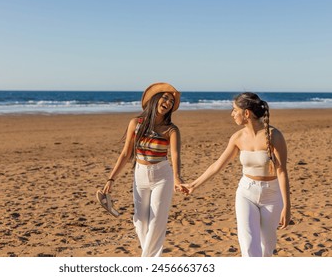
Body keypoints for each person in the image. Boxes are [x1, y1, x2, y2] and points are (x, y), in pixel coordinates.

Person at [182, 92, 291, 257]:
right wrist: (193, 185)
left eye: (234, 110)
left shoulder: (274, 136)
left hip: (272, 195)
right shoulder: (237, 138)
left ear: (246, 113)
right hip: (246, 193)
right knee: (247, 245)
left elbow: (282, 171)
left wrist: (287, 207)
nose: (232, 114)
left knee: (266, 248)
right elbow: (217, 165)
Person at [99, 82, 187, 257]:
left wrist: (177, 178)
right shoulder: (136, 123)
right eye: (165, 97)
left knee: (156, 222)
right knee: (140, 222)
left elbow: (176, 155)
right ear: (155, 99)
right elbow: (125, 154)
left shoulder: (171, 130)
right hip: (140, 175)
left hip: (162, 175)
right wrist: (111, 179)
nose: (168, 102)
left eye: (171, 101)